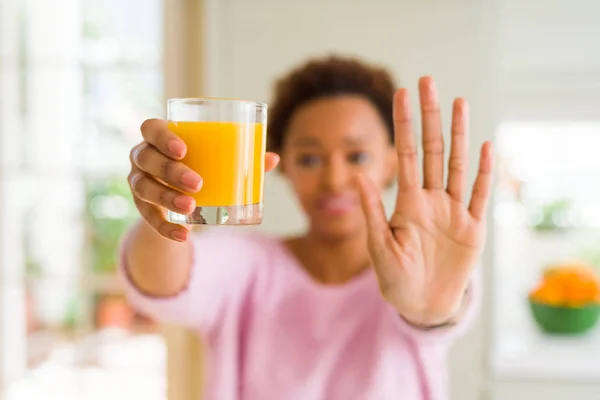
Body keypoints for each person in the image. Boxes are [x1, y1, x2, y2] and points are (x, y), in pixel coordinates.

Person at [121, 55, 493, 400]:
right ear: (282, 164)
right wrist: (163, 209)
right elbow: (162, 280)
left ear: (392, 163)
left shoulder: (426, 268)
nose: (334, 179)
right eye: (310, 158)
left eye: (357, 156)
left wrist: (432, 310)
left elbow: (442, 305)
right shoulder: (249, 265)